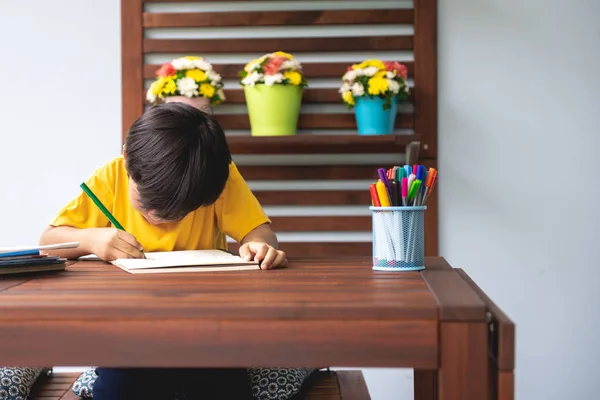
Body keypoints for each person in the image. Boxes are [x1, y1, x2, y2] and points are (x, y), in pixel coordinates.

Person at [39, 102, 287, 399]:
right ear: (127, 157)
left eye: (181, 211)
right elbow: (48, 241)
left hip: (210, 330)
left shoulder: (218, 176)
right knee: (118, 390)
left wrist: (259, 245)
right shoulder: (111, 178)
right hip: (129, 334)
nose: (159, 218)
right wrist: (92, 240)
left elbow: (261, 234)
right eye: (146, 203)